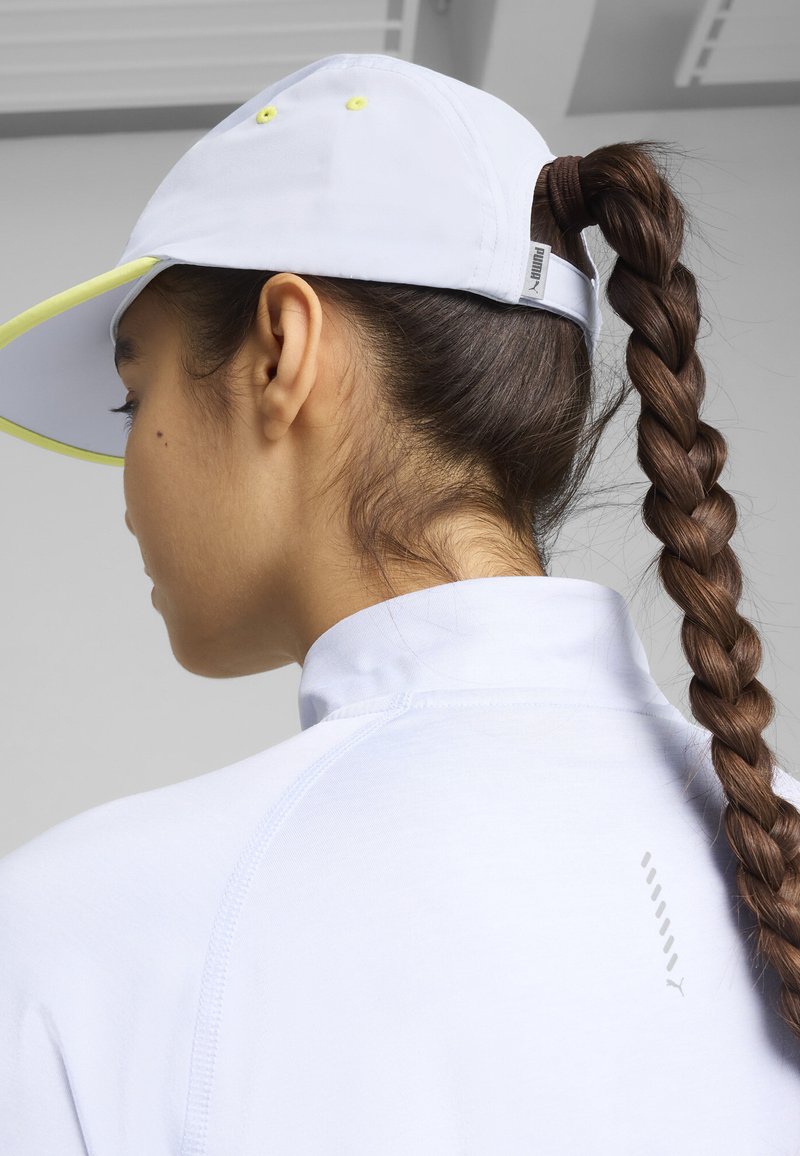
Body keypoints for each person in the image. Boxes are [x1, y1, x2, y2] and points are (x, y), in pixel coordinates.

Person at [0, 52, 798, 1153]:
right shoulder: (777, 861)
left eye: (131, 398)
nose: (129, 474)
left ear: (282, 350)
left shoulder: (76, 937)